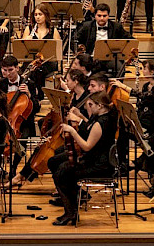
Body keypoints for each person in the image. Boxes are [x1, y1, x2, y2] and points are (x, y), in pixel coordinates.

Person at [48, 90, 118, 226]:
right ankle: (71, 209)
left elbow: (87, 146)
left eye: (91, 105)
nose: (88, 108)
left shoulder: (101, 123)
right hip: (96, 160)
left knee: (62, 172)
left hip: (99, 166)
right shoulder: (106, 117)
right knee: (61, 167)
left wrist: (72, 131)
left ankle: (71, 212)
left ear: (100, 106)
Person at [74, 3, 131, 73]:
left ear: (108, 16)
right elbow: (74, 40)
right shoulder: (87, 26)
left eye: (104, 16)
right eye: (99, 16)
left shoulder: (116, 27)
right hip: (91, 58)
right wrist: (79, 48)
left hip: (110, 58)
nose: (102, 18)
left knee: (120, 69)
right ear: (95, 16)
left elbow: (130, 39)